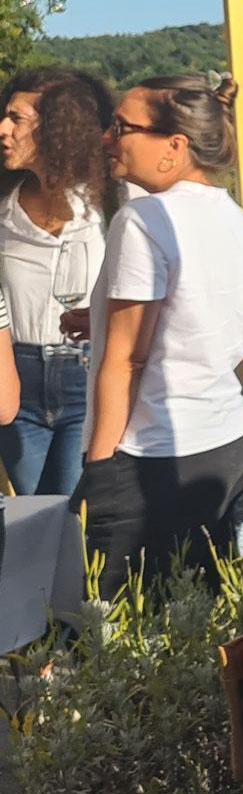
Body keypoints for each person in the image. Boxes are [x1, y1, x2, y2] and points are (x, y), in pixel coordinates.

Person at [79, 74, 243, 595]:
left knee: (105, 630)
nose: (106, 138)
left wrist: (99, 470)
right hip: (226, 442)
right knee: (194, 617)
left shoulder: (143, 218)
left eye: (122, 127)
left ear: (174, 147)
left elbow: (127, 361)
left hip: (150, 457)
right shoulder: (236, 219)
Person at [0, 67, 116, 499]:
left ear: (56, 128)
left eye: (17, 118)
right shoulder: (4, 207)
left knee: (72, 518)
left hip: (86, 374)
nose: (3, 128)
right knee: (35, 514)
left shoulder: (105, 202)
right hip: (17, 379)